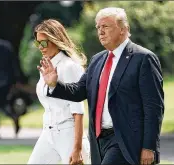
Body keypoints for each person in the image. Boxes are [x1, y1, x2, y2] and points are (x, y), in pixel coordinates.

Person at [39, 7, 165, 165]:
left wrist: (149, 147)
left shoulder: (143, 58)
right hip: (99, 140)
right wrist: (54, 84)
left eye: (105, 26)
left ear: (123, 29)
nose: (100, 31)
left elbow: (153, 107)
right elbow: (79, 91)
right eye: (98, 27)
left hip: (125, 141)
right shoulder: (98, 60)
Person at [27, 19, 90, 165]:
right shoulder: (47, 66)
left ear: (56, 40)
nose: (40, 47)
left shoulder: (69, 67)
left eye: (44, 42)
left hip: (68, 134)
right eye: (38, 43)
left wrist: (77, 148)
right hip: (48, 133)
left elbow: (78, 112)